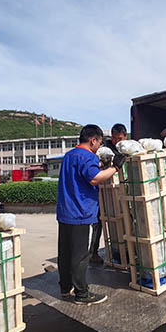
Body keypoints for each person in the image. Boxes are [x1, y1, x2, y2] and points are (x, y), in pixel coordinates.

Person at [57, 124, 125, 305]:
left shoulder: (70, 155)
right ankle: (82, 294)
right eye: (99, 143)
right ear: (93, 140)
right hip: (81, 213)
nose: (99, 146)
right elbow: (94, 179)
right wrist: (115, 168)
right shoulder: (88, 156)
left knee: (65, 252)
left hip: (65, 212)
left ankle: (65, 288)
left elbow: (82, 174)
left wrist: (103, 165)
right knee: (80, 256)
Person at [89, 123, 127, 264]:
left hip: (121, 191)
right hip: (104, 191)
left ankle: (125, 250)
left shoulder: (127, 148)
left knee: (124, 220)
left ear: (125, 137)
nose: (117, 141)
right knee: (99, 221)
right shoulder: (105, 148)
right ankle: (93, 253)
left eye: (120, 138)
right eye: (114, 138)